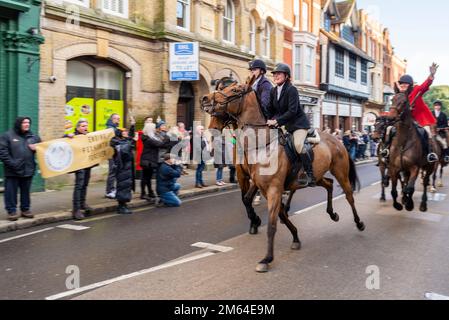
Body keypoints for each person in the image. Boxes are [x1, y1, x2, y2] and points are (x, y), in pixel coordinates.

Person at [266, 63, 315, 187]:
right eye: (274, 74)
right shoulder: (273, 91)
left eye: (279, 73)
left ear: (286, 76)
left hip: (299, 125)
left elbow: (292, 111)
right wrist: (265, 118)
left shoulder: (291, 89)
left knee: (298, 145)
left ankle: (310, 174)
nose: (276, 76)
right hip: (286, 124)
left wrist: (277, 121)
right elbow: (271, 110)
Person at [383, 63, 439, 162]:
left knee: (427, 132)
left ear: (410, 85)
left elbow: (425, 86)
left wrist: (431, 76)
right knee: (388, 129)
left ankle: (430, 153)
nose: (403, 85)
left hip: (419, 118)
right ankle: (386, 150)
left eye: (406, 83)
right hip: (404, 119)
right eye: (401, 83)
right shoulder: (399, 95)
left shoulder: (417, 90)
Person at [0, 117, 41, 221]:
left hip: (28, 169)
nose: (27, 124)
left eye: (28, 122)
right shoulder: (7, 135)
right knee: (11, 192)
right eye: (24, 122)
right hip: (12, 171)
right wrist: (13, 163)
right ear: (19, 124)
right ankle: (12, 211)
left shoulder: (33, 137)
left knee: (26, 192)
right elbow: (2, 152)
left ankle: (25, 210)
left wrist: (37, 148)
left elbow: (43, 148)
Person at [65, 119, 95, 220]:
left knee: (85, 184)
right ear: (78, 127)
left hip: (87, 164)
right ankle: (76, 209)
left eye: (86, 125)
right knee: (79, 185)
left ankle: (82, 203)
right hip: (78, 165)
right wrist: (67, 136)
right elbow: (62, 141)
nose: (85, 127)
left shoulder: (89, 136)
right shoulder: (73, 135)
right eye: (83, 126)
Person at [110, 125, 136, 215]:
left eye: (126, 131)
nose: (126, 133)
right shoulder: (117, 142)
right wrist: (132, 141)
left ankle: (124, 205)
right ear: (119, 133)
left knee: (126, 186)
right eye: (124, 132)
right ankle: (121, 206)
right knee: (122, 186)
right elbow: (125, 150)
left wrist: (132, 126)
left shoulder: (125, 140)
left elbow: (130, 140)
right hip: (122, 167)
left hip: (127, 167)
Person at [105, 113, 121, 199]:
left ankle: (112, 189)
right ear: (112, 119)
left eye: (119, 119)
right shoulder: (110, 128)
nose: (118, 120)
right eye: (117, 119)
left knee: (114, 172)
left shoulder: (114, 128)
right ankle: (109, 191)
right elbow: (112, 140)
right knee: (112, 172)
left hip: (115, 153)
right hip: (111, 153)